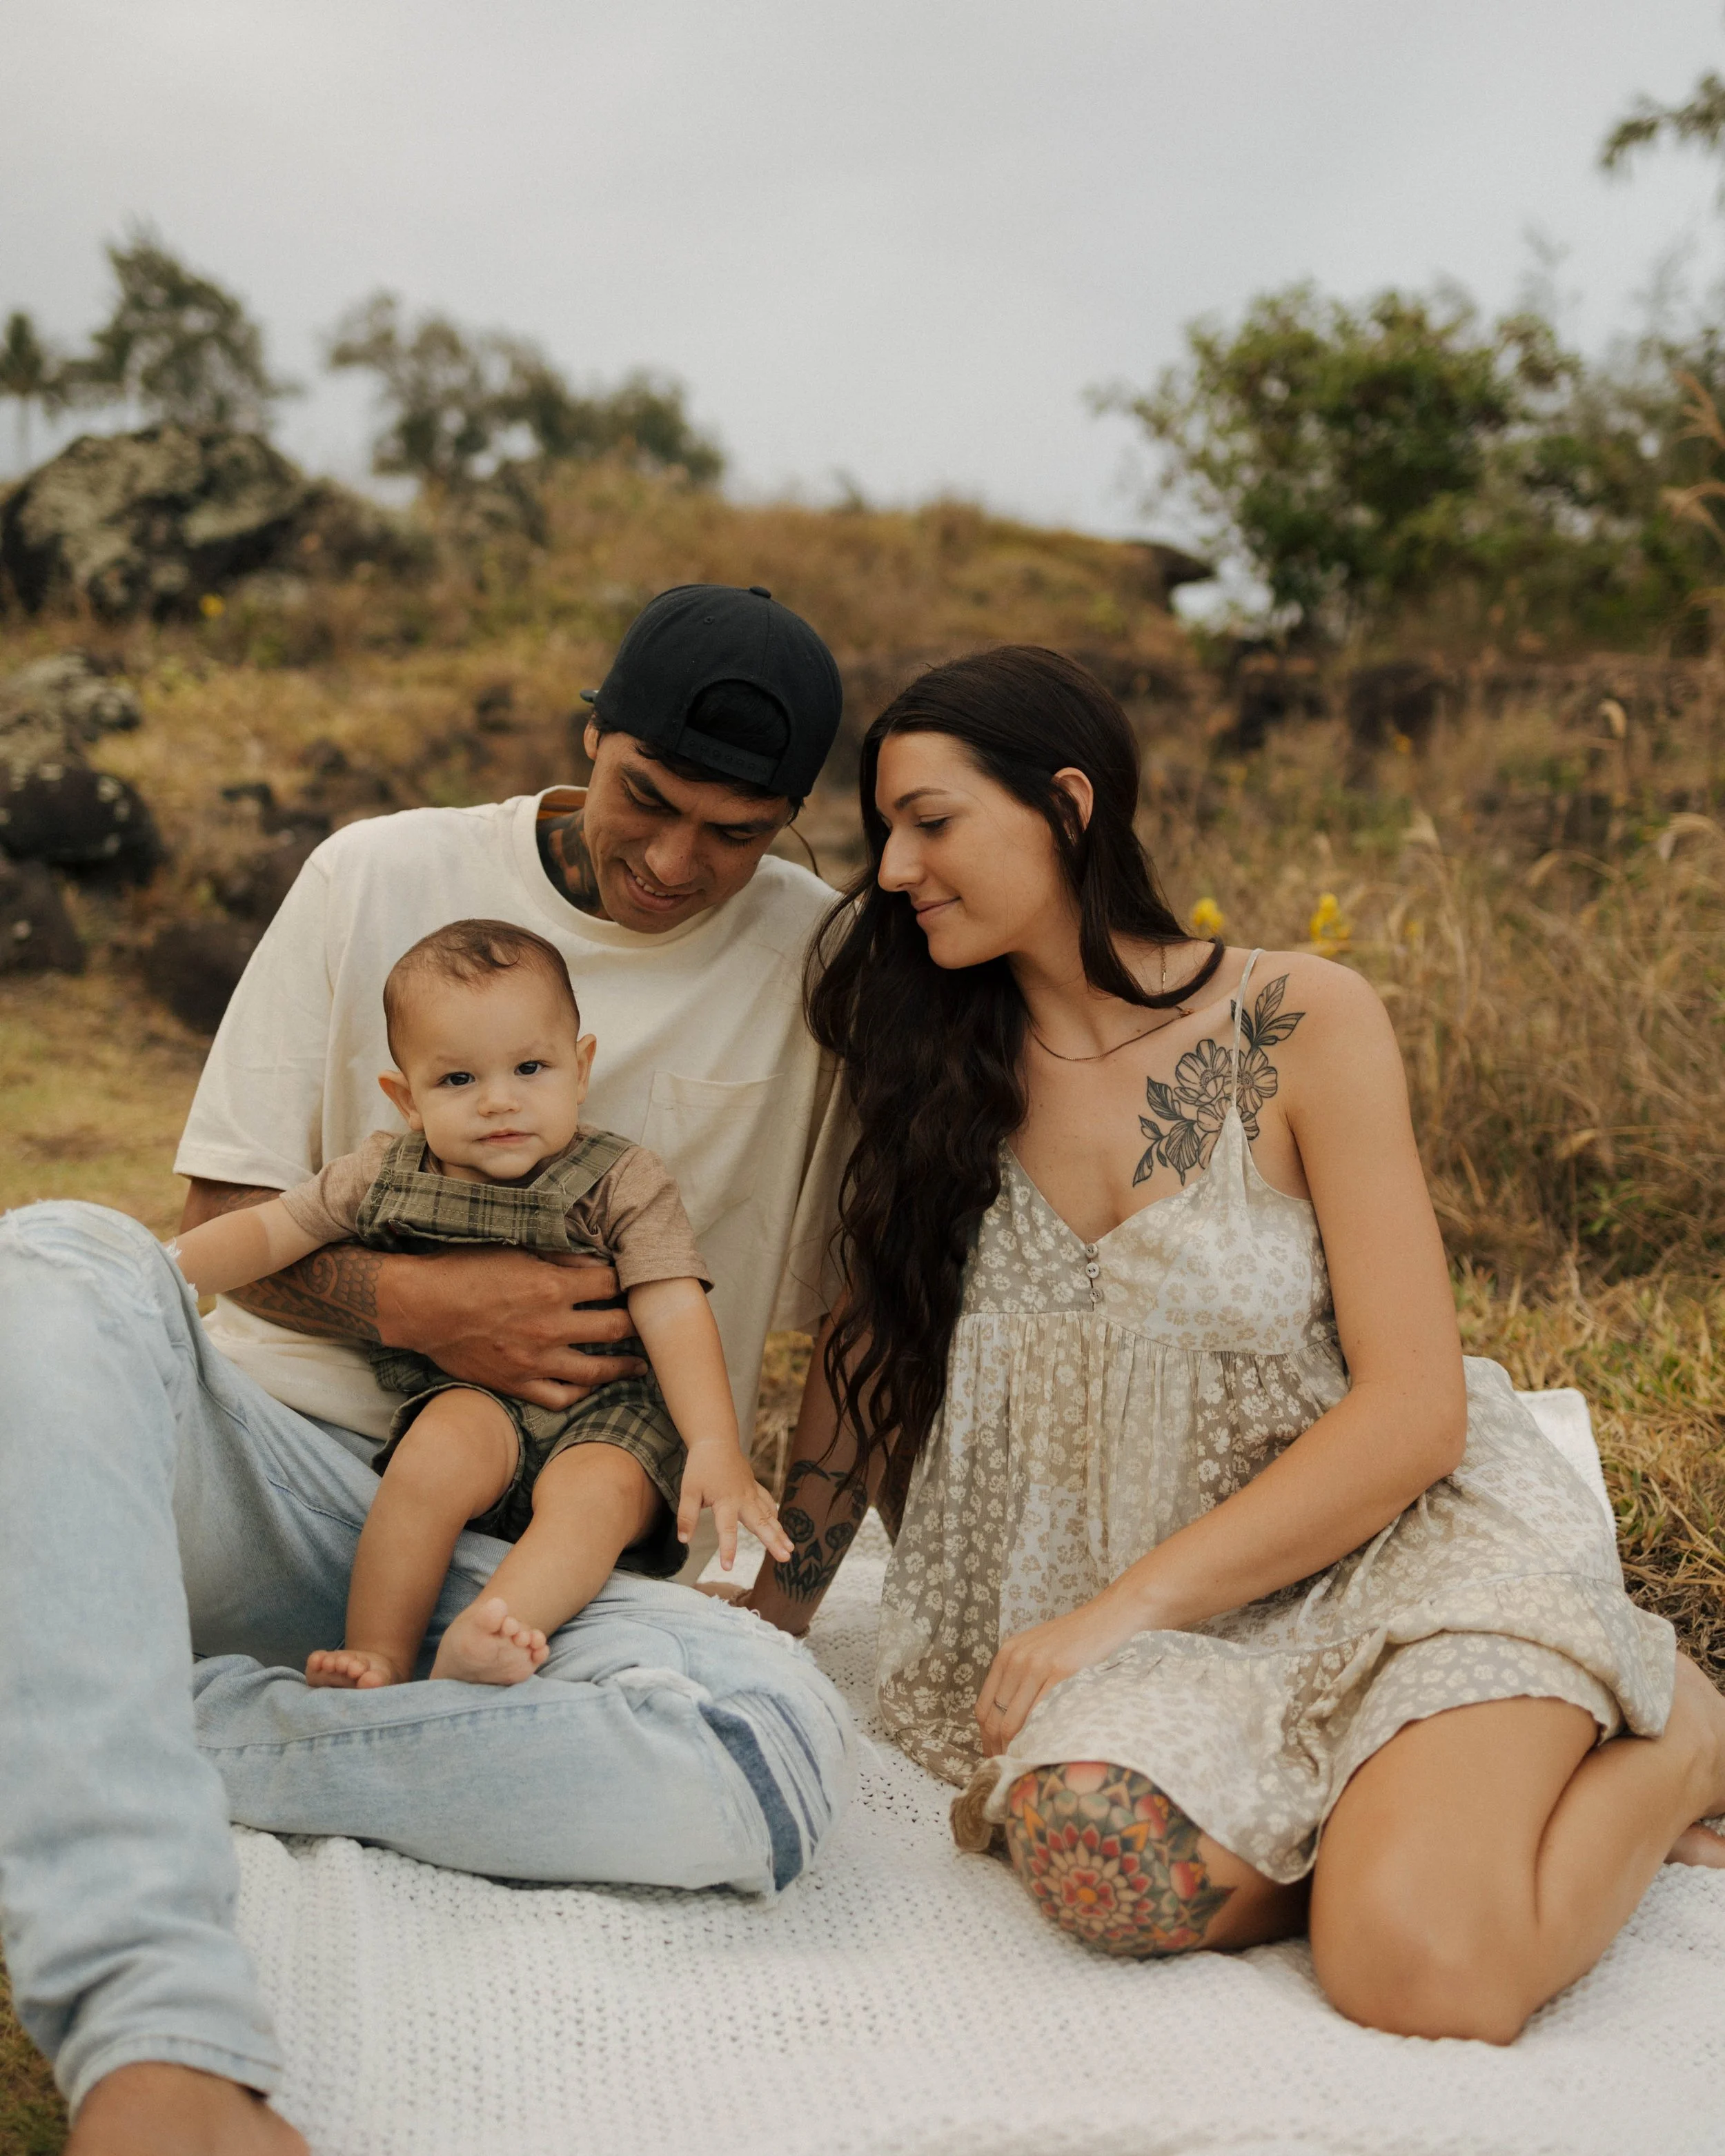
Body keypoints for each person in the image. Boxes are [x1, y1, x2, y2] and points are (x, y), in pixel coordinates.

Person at [744, 644, 1725, 2044]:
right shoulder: (924, 1062)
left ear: (1067, 804)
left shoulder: (1298, 1020)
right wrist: (769, 1627)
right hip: (1155, 1655)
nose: (893, 867)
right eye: (882, 829)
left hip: (1390, 1564)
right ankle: (1376, 1822)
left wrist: (1121, 1604)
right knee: (1099, 1859)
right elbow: (869, 1359)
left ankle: (1681, 1728)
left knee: (1416, 1972)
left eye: (930, 819)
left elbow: (1411, 1411)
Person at [0, 584, 857, 2156]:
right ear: (586, 738)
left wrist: (783, 1588)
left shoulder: (824, 959)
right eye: (645, 799)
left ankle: (138, 1718)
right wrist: (427, 1307)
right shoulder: (377, 872)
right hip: (287, 1465)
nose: (673, 863)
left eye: (734, 832)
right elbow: (217, 1217)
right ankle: (155, 2035)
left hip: (559, 1565)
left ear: (793, 823)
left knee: (768, 1758)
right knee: (48, 1259)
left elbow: (882, 1299)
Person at [170, 916, 792, 1693]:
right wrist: (161, 1270)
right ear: (407, 1098)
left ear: (580, 1066)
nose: (499, 1101)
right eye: (458, 1080)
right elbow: (271, 1230)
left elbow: (672, 1306)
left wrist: (713, 1443)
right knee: (431, 1456)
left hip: (610, 1412)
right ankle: (378, 1651)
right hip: (475, 1396)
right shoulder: (382, 1173)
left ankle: (494, 1625)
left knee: (592, 1494)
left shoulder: (621, 1181)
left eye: (530, 1067)